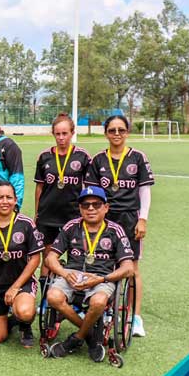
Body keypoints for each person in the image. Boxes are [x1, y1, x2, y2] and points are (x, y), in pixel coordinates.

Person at [44, 186, 135, 362]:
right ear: (80, 208)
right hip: (72, 274)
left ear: (106, 208)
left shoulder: (115, 230)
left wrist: (102, 278)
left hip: (101, 277)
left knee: (99, 301)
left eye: (96, 204)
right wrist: (63, 272)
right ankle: (92, 335)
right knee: (53, 297)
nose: (91, 209)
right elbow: (50, 258)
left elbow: (128, 268)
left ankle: (77, 338)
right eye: (86, 205)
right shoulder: (71, 226)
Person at [84, 115, 153, 337]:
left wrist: (143, 218)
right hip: (105, 219)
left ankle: (135, 317)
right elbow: (93, 196)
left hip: (130, 219)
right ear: (106, 133)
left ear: (127, 132)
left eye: (121, 130)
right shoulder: (98, 160)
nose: (116, 134)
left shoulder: (138, 157)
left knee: (131, 268)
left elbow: (144, 191)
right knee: (106, 266)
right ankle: (108, 311)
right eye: (112, 130)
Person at [0, 182, 44, 348]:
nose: (4, 201)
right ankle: (12, 320)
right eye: (0, 197)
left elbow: (35, 258)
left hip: (21, 283)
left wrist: (15, 287)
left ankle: (24, 324)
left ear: (15, 200)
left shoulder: (26, 223)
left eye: (9, 197)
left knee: (25, 312)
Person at [34, 113, 91, 286]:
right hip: (48, 215)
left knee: (77, 255)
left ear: (72, 133)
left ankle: (75, 294)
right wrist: (37, 213)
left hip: (72, 215)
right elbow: (39, 187)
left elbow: (87, 188)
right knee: (48, 257)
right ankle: (44, 300)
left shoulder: (82, 156)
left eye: (64, 133)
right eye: (57, 134)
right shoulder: (44, 157)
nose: (61, 138)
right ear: (53, 134)